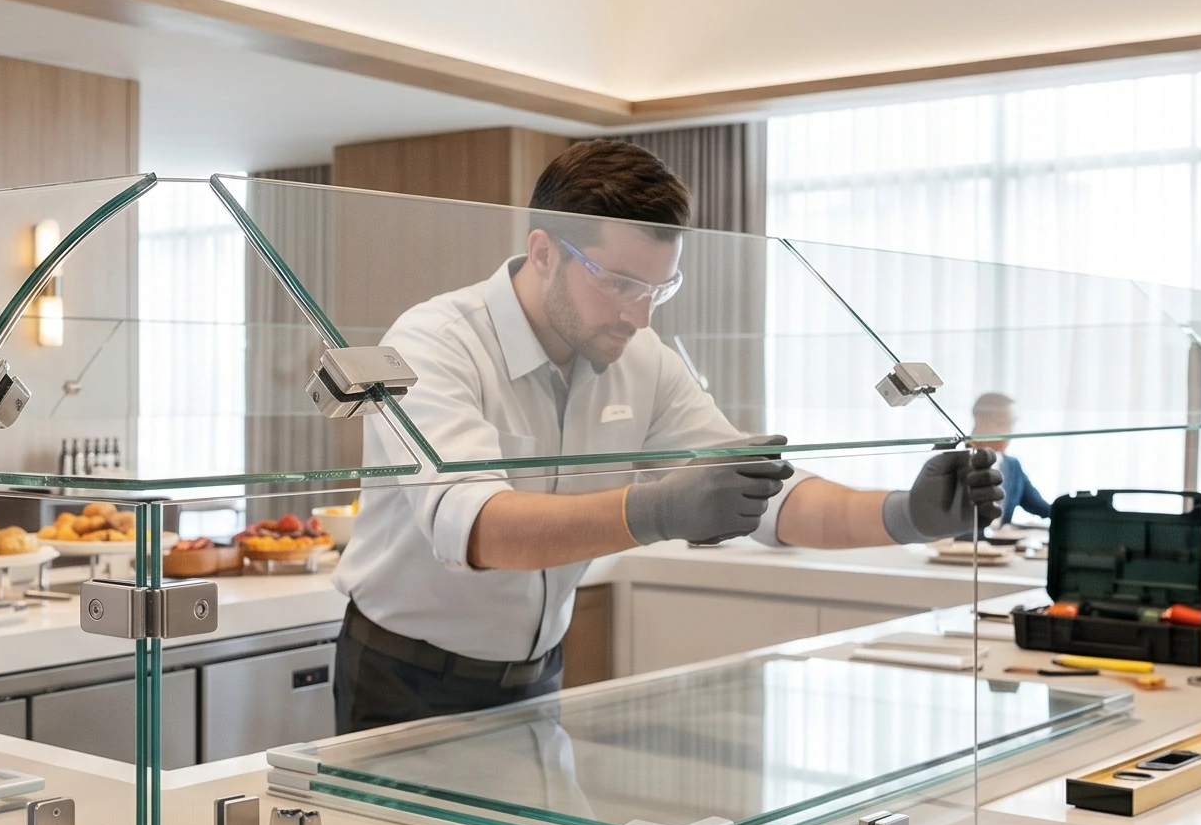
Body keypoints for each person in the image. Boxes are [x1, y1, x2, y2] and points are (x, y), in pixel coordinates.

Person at [333, 141, 1002, 734]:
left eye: (660, 287)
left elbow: (766, 494)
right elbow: (479, 529)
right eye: (620, 283)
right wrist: (658, 510)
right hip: (403, 679)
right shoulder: (434, 343)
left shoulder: (640, 355)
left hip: (537, 677)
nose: (641, 312)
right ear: (543, 252)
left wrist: (906, 516)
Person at [969, 393, 1049, 525]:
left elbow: (1041, 507)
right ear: (980, 423)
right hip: (961, 545)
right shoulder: (956, 462)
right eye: (1003, 424)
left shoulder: (1012, 466)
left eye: (1013, 424)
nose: (1010, 431)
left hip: (1003, 545)